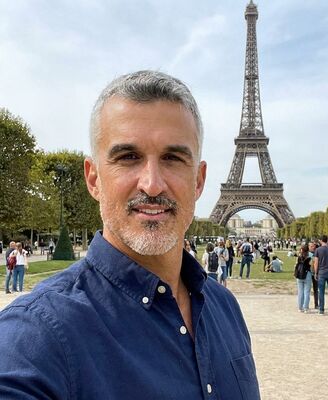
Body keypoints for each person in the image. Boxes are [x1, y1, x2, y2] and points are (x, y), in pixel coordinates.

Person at [0, 70, 260, 399]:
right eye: (128, 157)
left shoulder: (225, 307)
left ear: (198, 180)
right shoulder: (35, 336)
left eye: (172, 158)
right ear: (93, 179)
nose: (152, 184)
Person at [294, 244, 312, 313]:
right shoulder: (310, 256)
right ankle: (306, 307)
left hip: (299, 274)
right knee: (306, 292)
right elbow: (311, 265)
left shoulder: (299, 256)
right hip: (307, 274)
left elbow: (296, 265)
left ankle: (300, 307)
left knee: (300, 292)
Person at [308, 241, 319, 309]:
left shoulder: (317, 253)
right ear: (308, 247)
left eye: (313, 246)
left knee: (316, 290)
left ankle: (316, 304)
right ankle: (306, 304)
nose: (313, 247)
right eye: (311, 246)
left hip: (315, 273)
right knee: (307, 290)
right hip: (308, 274)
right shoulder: (306, 254)